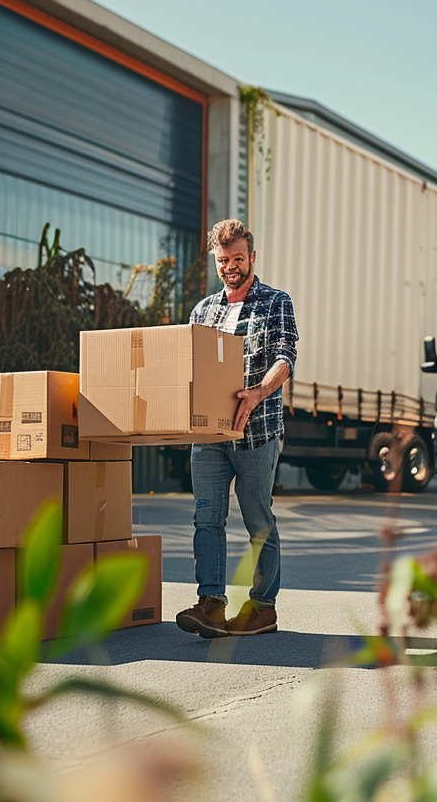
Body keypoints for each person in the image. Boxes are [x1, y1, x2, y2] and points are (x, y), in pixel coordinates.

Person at [175, 219, 298, 638]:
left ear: (252, 257)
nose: (231, 266)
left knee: (258, 519)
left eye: (238, 259)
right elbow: (191, 368)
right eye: (224, 260)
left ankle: (263, 608)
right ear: (216, 260)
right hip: (209, 436)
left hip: (257, 431)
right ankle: (211, 604)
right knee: (206, 519)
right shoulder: (203, 310)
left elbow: (285, 357)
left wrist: (258, 392)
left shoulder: (275, 302)